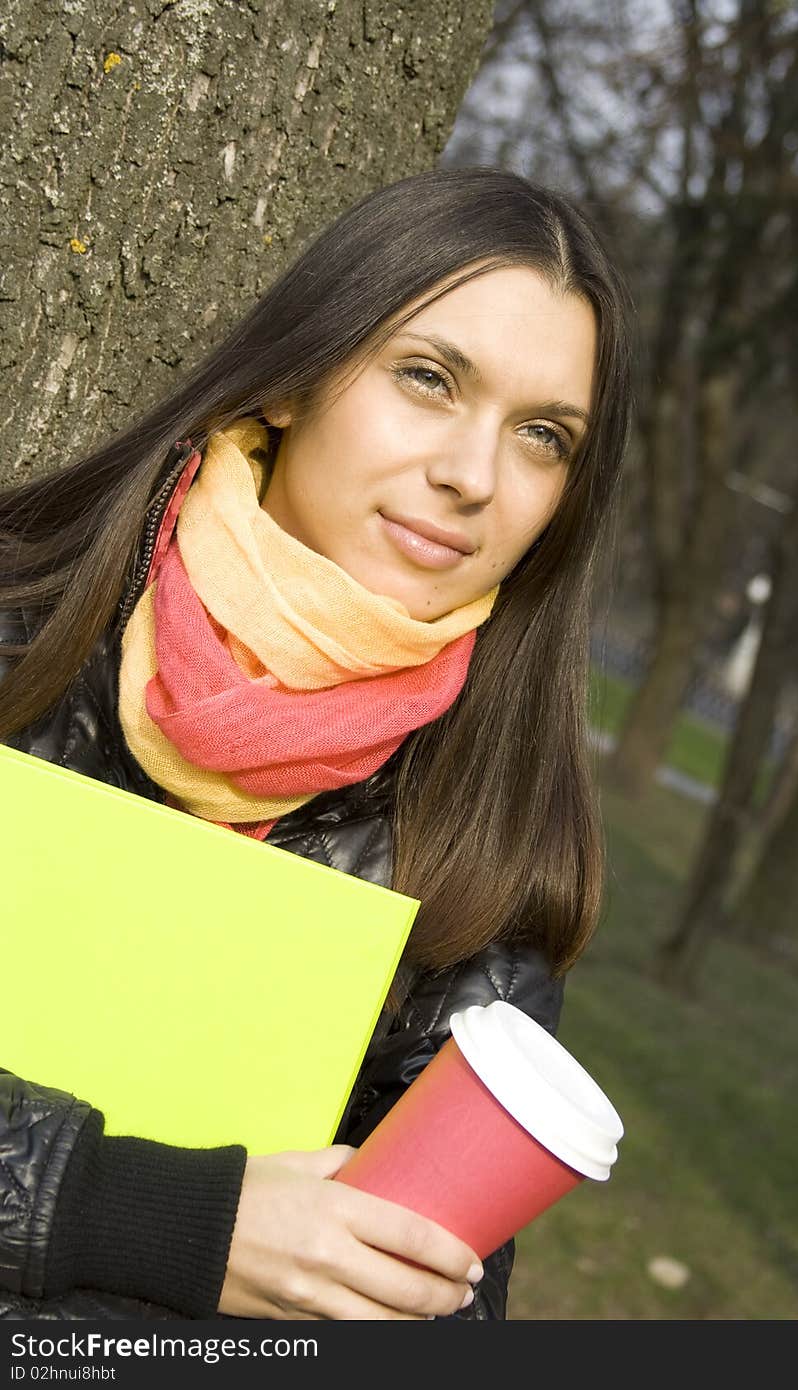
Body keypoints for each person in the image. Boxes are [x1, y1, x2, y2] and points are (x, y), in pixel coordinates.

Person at [0, 165, 633, 1321]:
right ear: (297, 376)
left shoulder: (487, 843)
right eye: (428, 378)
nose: (472, 475)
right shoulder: (21, 621)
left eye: (543, 436)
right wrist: (160, 1218)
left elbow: (438, 1308)